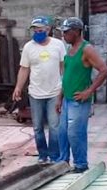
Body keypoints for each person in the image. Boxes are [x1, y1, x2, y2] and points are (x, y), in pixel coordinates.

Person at [56, 17, 107, 173]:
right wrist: (60, 97)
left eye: (66, 33)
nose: (64, 36)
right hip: (67, 99)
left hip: (79, 101)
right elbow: (66, 76)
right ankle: (63, 163)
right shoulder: (70, 49)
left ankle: (80, 165)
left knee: (75, 133)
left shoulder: (87, 49)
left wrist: (89, 91)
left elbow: (104, 70)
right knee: (63, 133)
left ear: (76, 32)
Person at [12, 16, 67, 164]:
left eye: (40, 30)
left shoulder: (58, 45)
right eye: (35, 30)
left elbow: (63, 66)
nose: (37, 32)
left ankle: (54, 157)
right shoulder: (29, 47)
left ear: (48, 30)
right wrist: (18, 87)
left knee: (54, 126)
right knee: (37, 127)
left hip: (55, 92)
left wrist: (65, 86)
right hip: (35, 92)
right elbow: (24, 69)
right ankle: (43, 155)